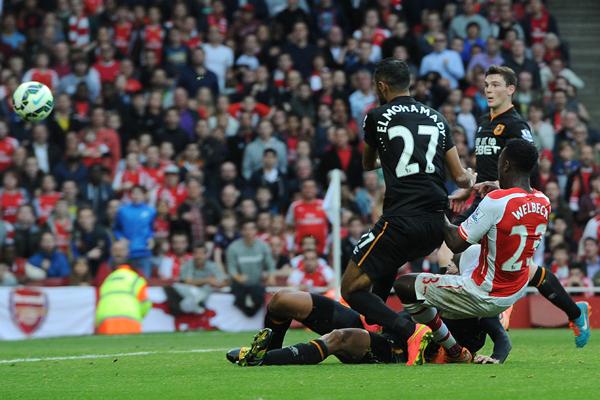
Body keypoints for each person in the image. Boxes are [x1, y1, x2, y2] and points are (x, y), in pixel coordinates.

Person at [340, 58, 475, 365]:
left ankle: (409, 331)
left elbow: (367, 163)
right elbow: (459, 177)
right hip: (436, 224)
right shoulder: (438, 118)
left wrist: (389, 159)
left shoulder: (376, 117)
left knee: (351, 288)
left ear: (381, 86)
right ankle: (394, 340)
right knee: (384, 268)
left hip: (402, 219)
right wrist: (470, 181)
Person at [446, 65, 590, 348]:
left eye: (496, 85)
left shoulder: (516, 125)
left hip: (507, 203)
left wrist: (499, 186)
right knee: (513, 267)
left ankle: (489, 329)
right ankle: (573, 312)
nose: (489, 90)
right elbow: (485, 166)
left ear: (511, 89)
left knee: (457, 255)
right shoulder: (483, 121)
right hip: (485, 200)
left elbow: (529, 165)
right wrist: (469, 189)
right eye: (486, 84)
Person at [394, 139, 552, 364]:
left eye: (500, 161)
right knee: (470, 254)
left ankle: (454, 350)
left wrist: (435, 206)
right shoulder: (543, 201)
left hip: (485, 293)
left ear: (506, 165)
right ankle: (498, 321)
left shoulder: (496, 201)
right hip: (515, 289)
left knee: (405, 285)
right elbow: (513, 208)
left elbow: (455, 243)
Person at [227, 289, 511, 366]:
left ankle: (261, 359)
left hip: (397, 350)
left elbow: (502, 339)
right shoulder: (441, 286)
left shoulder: (480, 306)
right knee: (281, 299)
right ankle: (270, 349)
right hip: (380, 327)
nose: (451, 271)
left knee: (339, 339)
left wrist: (495, 358)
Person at [113, 185, 156, 277]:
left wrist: (150, 238)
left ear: (144, 195)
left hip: (144, 251)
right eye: (134, 193)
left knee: (144, 280)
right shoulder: (122, 211)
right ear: (130, 195)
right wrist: (120, 238)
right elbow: (116, 228)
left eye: (139, 193)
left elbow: (152, 228)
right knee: (125, 278)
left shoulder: (151, 211)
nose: (136, 196)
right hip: (127, 252)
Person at [96, 264, 151, 335]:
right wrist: (140, 314)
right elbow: (145, 303)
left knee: (107, 342)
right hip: (130, 317)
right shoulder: (137, 279)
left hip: (105, 318)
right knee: (131, 342)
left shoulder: (108, 279)